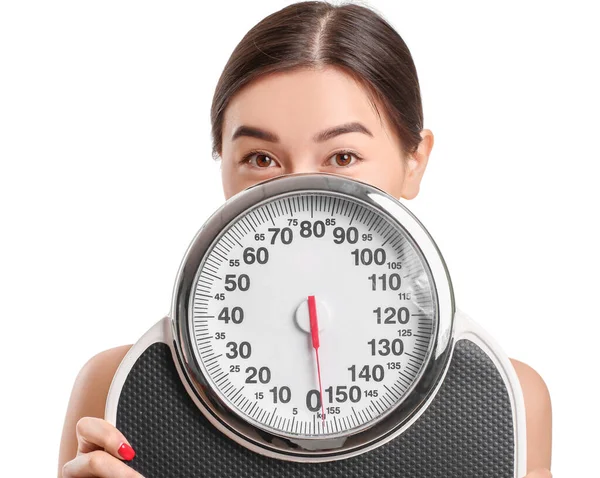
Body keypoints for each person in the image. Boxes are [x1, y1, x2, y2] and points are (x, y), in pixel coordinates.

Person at [58, 1, 552, 477]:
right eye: (261, 159)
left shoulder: (500, 395)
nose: (300, 190)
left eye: (341, 157)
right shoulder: (119, 383)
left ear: (414, 161)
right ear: (222, 166)